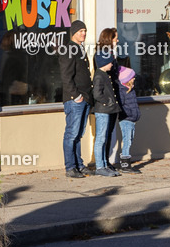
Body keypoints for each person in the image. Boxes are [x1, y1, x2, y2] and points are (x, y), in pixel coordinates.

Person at [59, 20, 92, 178]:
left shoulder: (79, 49)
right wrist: (76, 96)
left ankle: (79, 164)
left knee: (78, 134)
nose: (83, 34)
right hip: (75, 99)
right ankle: (70, 167)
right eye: (80, 31)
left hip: (85, 98)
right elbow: (66, 76)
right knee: (71, 134)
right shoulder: (68, 49)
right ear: (73, 33)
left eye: (85, 31)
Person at [92, 28, 122, 177]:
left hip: (111, 103)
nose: (117, 40)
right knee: (102, 136)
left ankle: (105, 163)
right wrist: (107, 101)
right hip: (105, 105)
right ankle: (101, 165)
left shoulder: (109, 56)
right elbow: (98, 90)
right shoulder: (102, 57)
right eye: (115, 38)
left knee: (107, 134)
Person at [115, 66, 140, 173]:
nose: (134, 79)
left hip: (132, 119)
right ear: (126, 79)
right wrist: (129, 114)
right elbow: (121, 106)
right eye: (132, 77)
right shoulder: (122, 91)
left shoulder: (131, 89)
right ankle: (125, 164)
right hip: (126, 119)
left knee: (129, 139)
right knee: (127, 140)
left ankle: (125, 162)